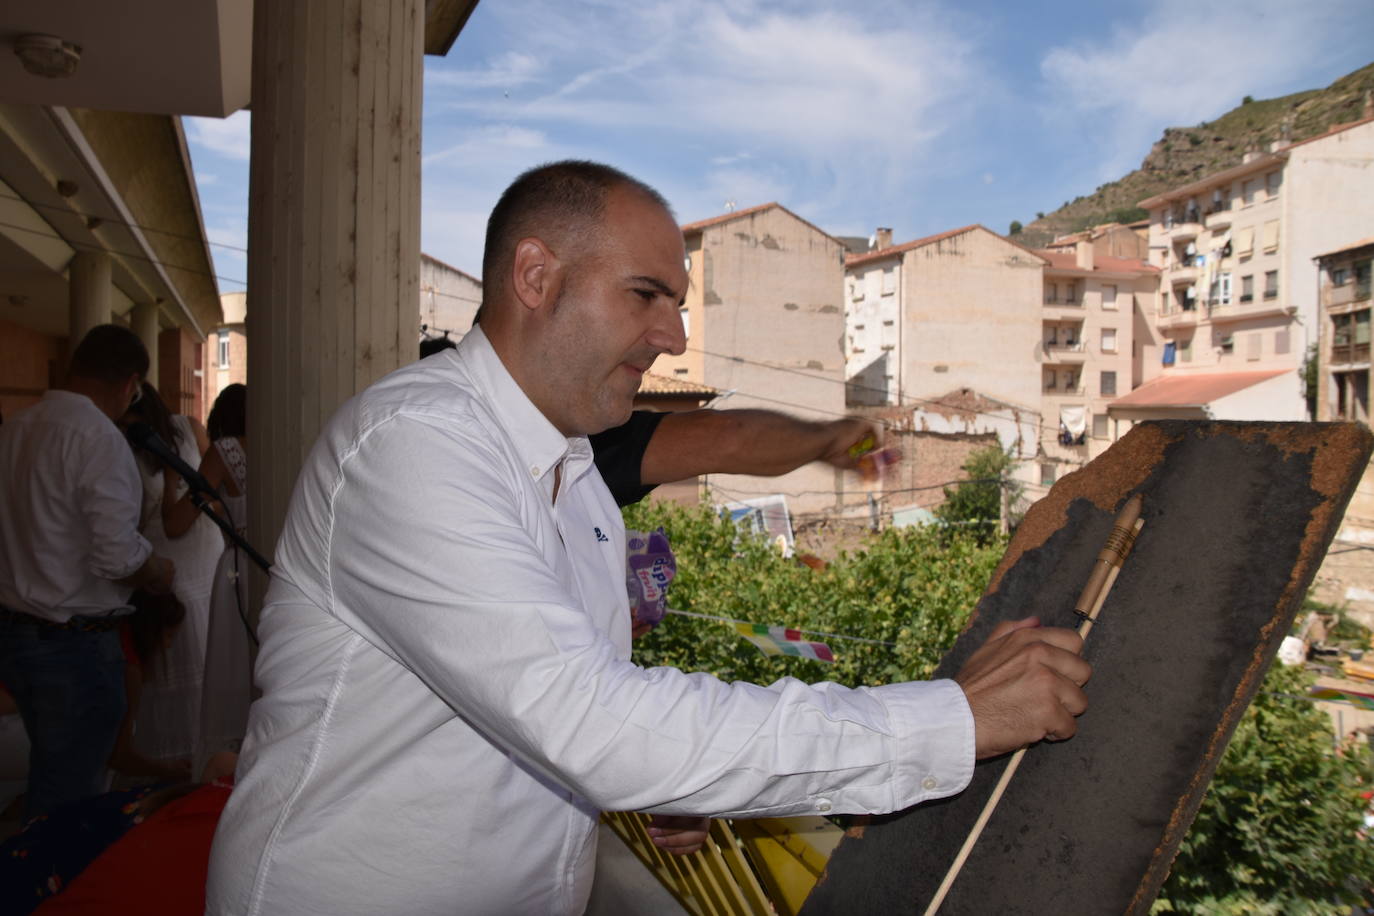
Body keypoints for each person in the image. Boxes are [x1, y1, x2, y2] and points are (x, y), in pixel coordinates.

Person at [207, 162, 1090, 915]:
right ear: (534, 275)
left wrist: (680, 776)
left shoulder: (577, 474)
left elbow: (591, 702)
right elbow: (593, 724)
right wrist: (950, 722)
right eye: (646, 296)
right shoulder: (415, 444)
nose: (672, 338)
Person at [0, 325, 175, 820]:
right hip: (71, 646)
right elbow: (116, 557)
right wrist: (158, 571)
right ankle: (49, 891)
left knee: (52, 779)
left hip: (17, 635)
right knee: (71, 803)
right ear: (131, 384)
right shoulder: (99, 439)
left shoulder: (16, 427)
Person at [120, 382, 221, 767]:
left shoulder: (187, 428)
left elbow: (212, 482)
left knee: (205, 651)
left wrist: (192, 498)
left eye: (133, 421)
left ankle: (206, 757)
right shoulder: (120, 446)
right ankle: (168, 761)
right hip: (162, 559)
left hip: (200, 549)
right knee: (170, 661)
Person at [163, 384, 251, 774]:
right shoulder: (289, 441)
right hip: (282, 567)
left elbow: (176, 524)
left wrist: (170, 483)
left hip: (236, 572)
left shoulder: (226, 451)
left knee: (233, 668)